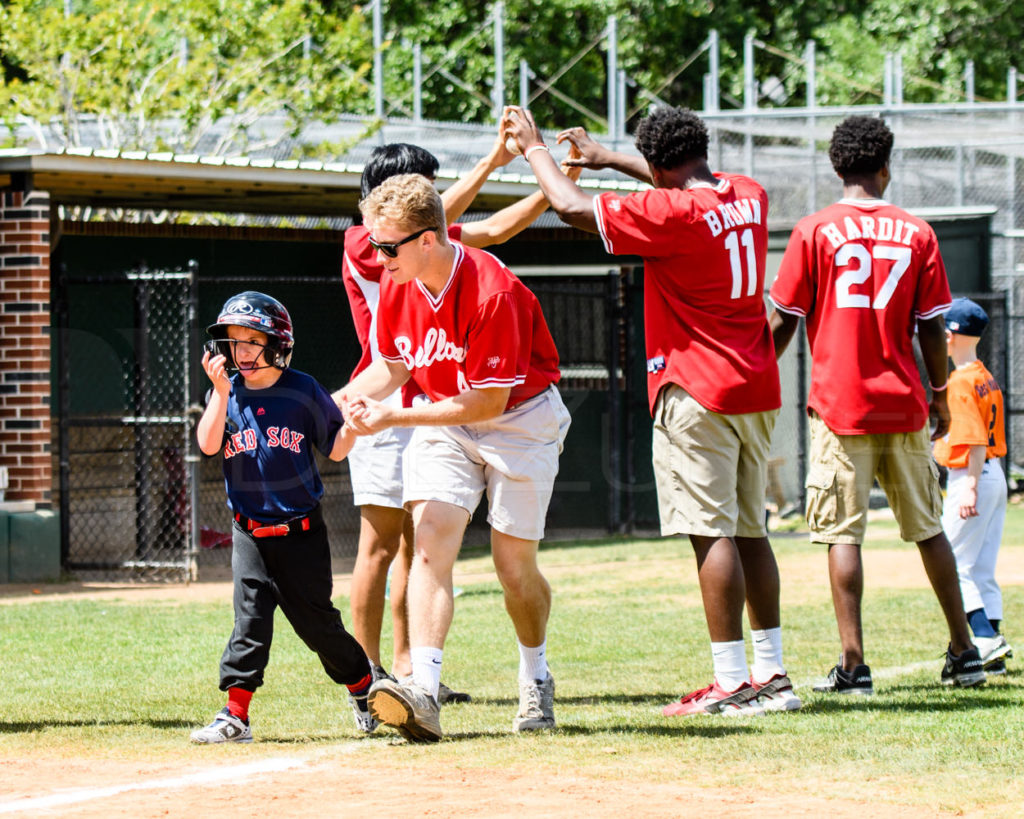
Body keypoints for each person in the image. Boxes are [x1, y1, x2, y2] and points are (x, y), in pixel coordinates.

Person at [502, 104, 801, 715]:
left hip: (698, 390)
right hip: (753, 385)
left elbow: (571, 208)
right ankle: (771, 676)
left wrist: (535, 149)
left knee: (709, 531)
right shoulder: (749, 192)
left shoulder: (673, 211)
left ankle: (732, 682)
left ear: (658, 166)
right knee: (751, 531)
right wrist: (611, 158)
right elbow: (675, 179)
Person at [340, 135, 580, 734]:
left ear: (428, 238)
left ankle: (535, 675)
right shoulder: (400, 280)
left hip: (518, 421)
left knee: (512, 567)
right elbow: (393, 366)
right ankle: (422, 689)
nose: (377, 255)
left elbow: (487, 399)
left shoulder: (491, 291)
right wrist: (342, 402)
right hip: (445, 423)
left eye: (387, 245)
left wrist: (392, 416)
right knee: (428, 544)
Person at [768, 115, 986, 693]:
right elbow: (931, 328)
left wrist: (755, 374)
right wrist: (939, 396)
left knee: (843, 534)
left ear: (837, 168)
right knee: (928, 528)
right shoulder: (917, 232)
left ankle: (853, 665)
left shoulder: (813, 230)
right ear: (885, 167)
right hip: (904, 404)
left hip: (841, 408)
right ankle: (965, 651)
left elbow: (784, 321)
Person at [190, 291, 372, 744]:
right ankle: (235, 715)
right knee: (249, 623)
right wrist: (219, 393)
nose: (242, 352)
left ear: (278, 344)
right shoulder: (226, 394)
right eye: (234, 342)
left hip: (301, 533)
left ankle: (365, 689)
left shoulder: (303, 389)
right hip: (249, 531)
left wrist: (354, 424)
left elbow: (335, 447)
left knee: (317, 626)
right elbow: (208, 445)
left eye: (253, 341)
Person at [933, 297, 1013, 674]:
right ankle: (992, 648)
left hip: (973, 473)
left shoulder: (960, 381)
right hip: (994, 473)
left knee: (954, 565)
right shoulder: (983, 373)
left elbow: (976, 439)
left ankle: (984, 637)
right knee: (981, 567)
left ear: (949, 336)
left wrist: (969, 487)